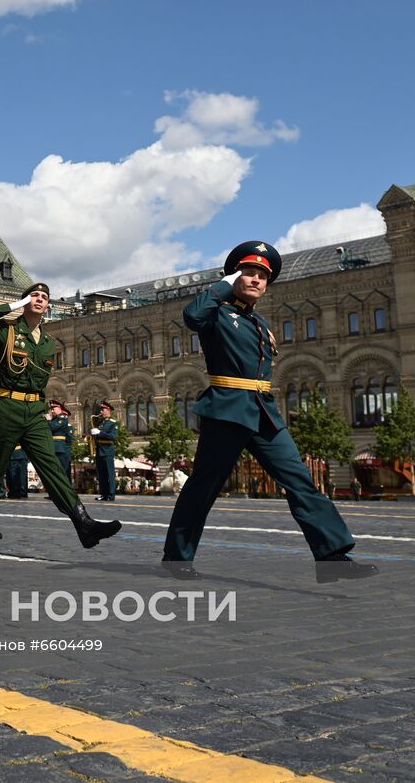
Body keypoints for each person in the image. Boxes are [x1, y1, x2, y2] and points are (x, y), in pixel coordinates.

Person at [161, 241, 377, 583]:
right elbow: (191, 316)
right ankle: (176, 558)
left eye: (263, 276)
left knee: (300, 479)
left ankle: (331, 556)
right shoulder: (216, 312)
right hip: (227, 410)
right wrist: (223, 284)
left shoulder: (260, 324)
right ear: (234, 275)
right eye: (249, 272)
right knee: (204, 486)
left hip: (263, 412)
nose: (256, 280)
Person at [0, 282, 120, 557]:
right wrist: (12, 307)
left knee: (51, 467)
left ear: (48, 306)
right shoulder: (8, 330)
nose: (39, 299)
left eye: (43, 297)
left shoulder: (48, 342)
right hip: (7, 406)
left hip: (34, 411)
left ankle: (83, 523)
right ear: (26, 300)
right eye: (34, 295)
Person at [91, 401, 119, 501]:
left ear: (109, 410)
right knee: (101, 474)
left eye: (103, 410)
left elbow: (113, 436)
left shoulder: (113, 423)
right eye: (101, 410)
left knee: (109, 473)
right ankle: (103, 494)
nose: (101, 411)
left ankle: (111, 495)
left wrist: (100, 432)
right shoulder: (100, 422)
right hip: (99, 450)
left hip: (107, 450)